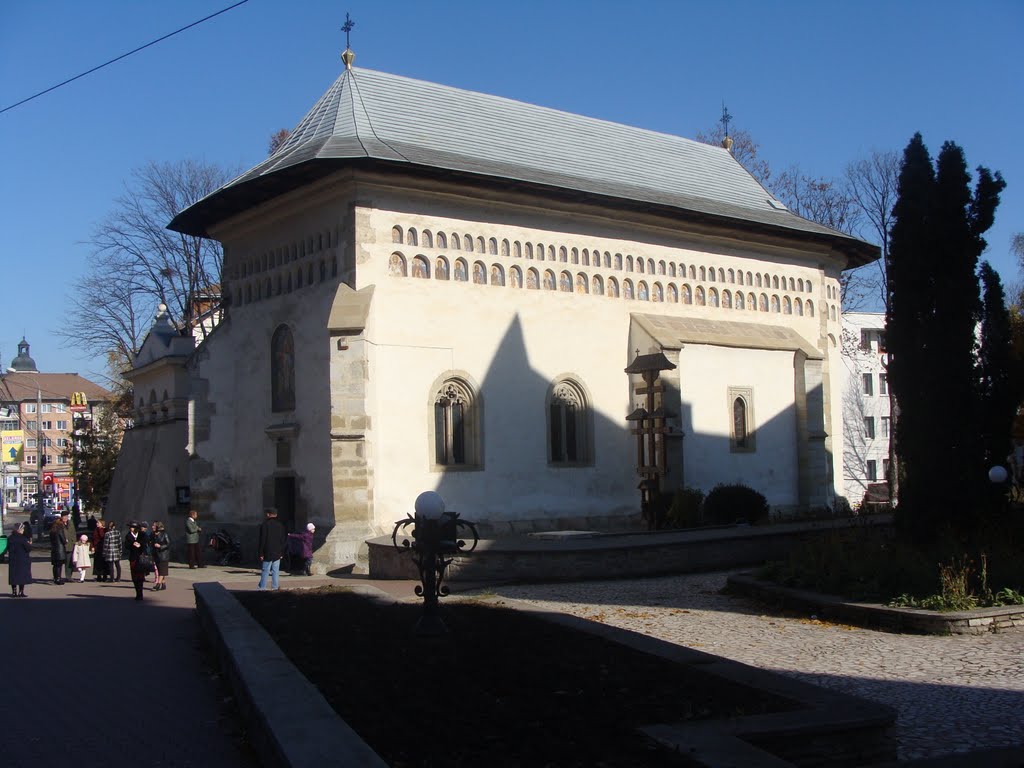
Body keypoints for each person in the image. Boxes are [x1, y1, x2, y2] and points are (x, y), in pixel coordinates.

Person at [256, 508, 287, 591]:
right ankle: (275, 587)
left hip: (267, 551)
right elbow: (283, 540)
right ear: (276, 515)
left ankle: (262, 587)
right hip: (278, 552)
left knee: (265, 570)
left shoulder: (265, 525)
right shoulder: (280, 525)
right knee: (276, 571)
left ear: (268, 514)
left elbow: (262, 540)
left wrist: (261, 553)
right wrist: (282, 552)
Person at [124, 522, 151, 601]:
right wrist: (133, 544)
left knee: (140, 576)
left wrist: (140, 544)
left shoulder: (142, 534)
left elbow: (147, 540)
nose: (130, 529)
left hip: (141, 557)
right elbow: (126, 546)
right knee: (134, 576)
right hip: (133, 558)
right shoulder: (128, 536)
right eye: (130, 527)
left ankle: (140, 593)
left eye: (132, 527)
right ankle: (137, 593)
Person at [7, 522, 32, 597]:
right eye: (22, 528)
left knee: (13, 576)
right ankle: (21, 592)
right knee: (22, 575)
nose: (23, 530)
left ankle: (14, 592)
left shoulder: (10, 538)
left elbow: (8, 548)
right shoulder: (23, 539)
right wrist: (29, 544)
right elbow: (28, 548)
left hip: (13, 560)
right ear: (19, 529)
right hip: (22, 559)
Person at [150, 521, 171, 591]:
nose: (152, 527)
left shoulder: (164, 534)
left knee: (162, 571)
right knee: (160, 570)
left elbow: (168, 544)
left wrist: (160, 546)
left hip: (163, 555)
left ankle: (158, 584)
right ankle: (163, 584)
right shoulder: (153, 534)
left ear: (158, 527)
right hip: (156, 555)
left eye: (154, 526)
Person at [49, 514, 68, 584]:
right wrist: (65, 541)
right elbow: (63, 539)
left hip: (54, 549)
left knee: (55, 565)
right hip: (60, 549)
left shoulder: (52, 530)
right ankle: (58, 578)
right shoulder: (60, 528)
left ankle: (55, 578)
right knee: (59, 565)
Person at [61, 510, 78, 579]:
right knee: (60, 562)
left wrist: (74, 542)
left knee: (69, 561)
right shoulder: (59, 524)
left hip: (70, 545)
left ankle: (68, 576)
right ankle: (58, 576)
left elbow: (73, 533)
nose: (65, 518)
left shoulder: (70, 523)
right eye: (64, 516)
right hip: (62, 546)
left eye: (66, 516)